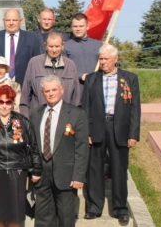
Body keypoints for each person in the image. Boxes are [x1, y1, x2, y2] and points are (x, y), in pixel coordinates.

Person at [82, 44, 141, 223]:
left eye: (106, 59)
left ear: (116, 59)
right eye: (101, 59)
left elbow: (135, 109)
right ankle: (94, 206)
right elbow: (85, 108)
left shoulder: (129, 79)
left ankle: (120, 207)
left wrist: (133, 134)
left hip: (119, 129)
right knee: (94, 169)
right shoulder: (91, 79)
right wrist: (86, 132)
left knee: (119, 169)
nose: (103, 62)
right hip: (96, 128)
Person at [0, 85, 42, 227]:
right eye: (1, 102)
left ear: (13, 103)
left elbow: (34, 147)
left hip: (17, 173)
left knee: (15, 215)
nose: (4, 106)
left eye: (8, 102)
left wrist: (36, 170)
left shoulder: (24, 122)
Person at [30, 75, 89, 227]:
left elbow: (82, 148)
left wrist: (78, 176)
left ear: (62, 90)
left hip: (66, 174)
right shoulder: (36, 114)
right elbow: (33, 145)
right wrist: (33, 169)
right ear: (42, 93)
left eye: (54, 90)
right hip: (42, 174)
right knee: (42, 218)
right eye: (47, 91)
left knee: (65, 217)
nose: (51, 93)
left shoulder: (77, 114)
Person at [20, 32, 81, 118]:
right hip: (38, 117)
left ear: (63, 46)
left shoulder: (70, 65)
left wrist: (73, 119)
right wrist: (26, 119)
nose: (54, 50)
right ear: (45, 45)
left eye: (57, 46)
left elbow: (76, 98)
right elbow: (25, 96)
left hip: (64, 118)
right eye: (51, 46)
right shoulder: (34, 63)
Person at [0, 8, 41, 85]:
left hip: (24, 86)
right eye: (8, 20)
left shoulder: (31, 39)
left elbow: (37, 65)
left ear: (20, 21)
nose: (11, 23)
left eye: (14, 20)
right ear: (3, 21)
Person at [64, 13, 103, 93]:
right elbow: (63, 68)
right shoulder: (65, 46)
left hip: (96, 89)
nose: (78, 29)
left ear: (87, 26)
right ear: (71, 27)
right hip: (75, 90)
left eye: (81, 26)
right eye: (75, 26)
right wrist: (81, 75)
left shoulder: (99, 45)